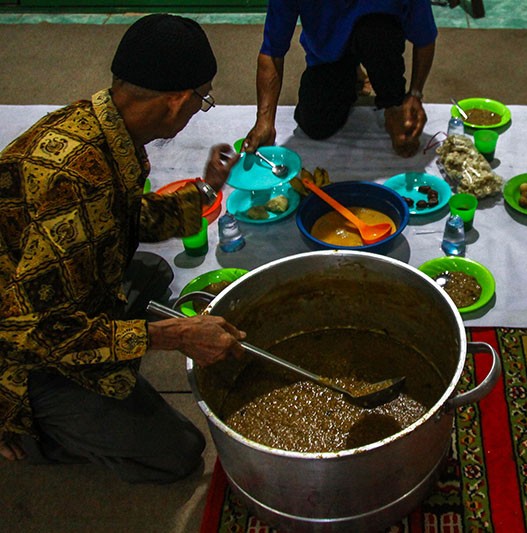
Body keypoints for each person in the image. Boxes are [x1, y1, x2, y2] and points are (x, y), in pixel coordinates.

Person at [0, 14, 246, 484]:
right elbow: (42, 331)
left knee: (150, 270)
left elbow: (123, 218)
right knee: (180, 454)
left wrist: (205, 191)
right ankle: (32, 432)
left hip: (59, 299)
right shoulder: (72, 180)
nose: (201, 108)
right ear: (177, 100)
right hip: (20, 351)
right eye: (203, 98)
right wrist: (174, 336)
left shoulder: (104, 126)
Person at [244, 1, 438, 158]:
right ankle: (352, 72)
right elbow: (272, 52)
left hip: (377, 36)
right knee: (316, 125)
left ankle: (393, 105)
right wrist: (265, 122)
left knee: (376, 34)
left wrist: (414, 94)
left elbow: (425, 37)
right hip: (329, 52)